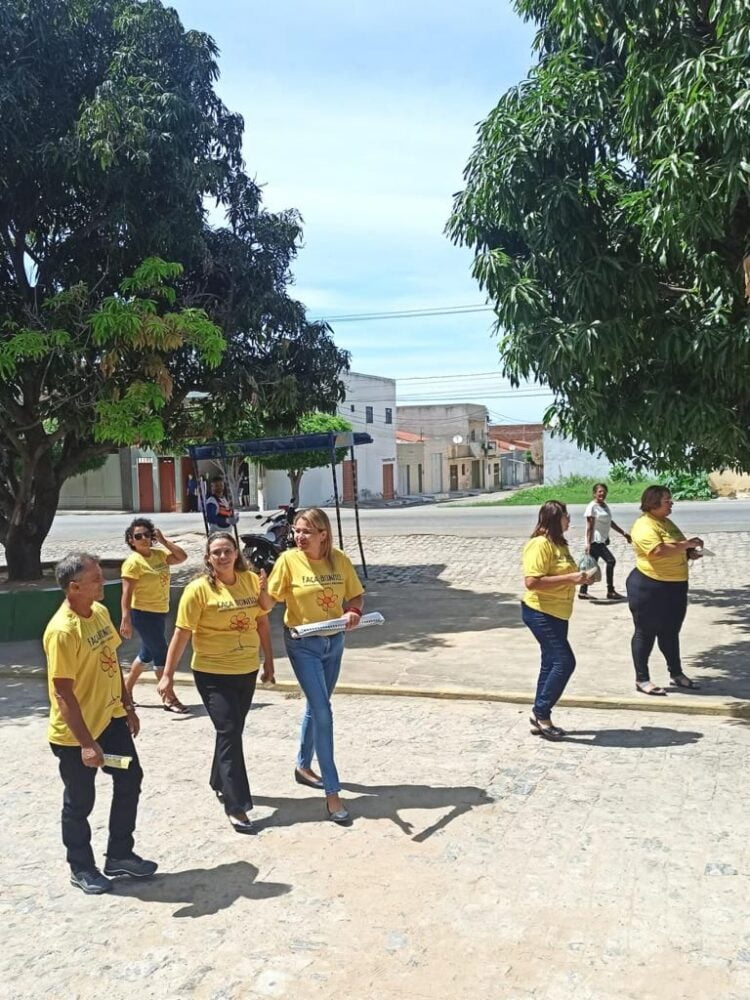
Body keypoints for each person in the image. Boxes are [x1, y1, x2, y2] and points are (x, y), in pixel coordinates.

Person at [44, 552, 157, 895]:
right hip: (76, 735)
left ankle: (120, 854)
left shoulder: (100, 613)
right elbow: (62, 693)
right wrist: (86, 744)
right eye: (95, 578)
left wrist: (127, 704)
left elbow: (112, 661)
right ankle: (81, 867)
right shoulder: (63, 631)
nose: (102, 582)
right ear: (74, 587)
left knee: (130, 778)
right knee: (80, 802)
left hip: (111, 721)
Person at [158, 531, 275, 833]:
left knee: (231, 731)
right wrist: (168, 675)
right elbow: (181, 633)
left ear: (237, 553)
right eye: (216, 553)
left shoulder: (250, 581)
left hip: (246, 669)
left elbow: (262, 620)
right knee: (229, 730)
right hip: (212, 673)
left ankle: (217, 779)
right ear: (208, 559)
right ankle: (236, 805)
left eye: (227, 551)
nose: (222, 557)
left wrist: (270, 662)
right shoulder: (198, 590)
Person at [264, 507, 365, 824]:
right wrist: (259, 590)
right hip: (302, 644)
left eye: (306, 531)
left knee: (317, 704)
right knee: (323, 712)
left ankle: (303, 765)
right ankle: (333, 793)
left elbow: (356, 597)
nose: (299, 537)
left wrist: (353, 612)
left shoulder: (339, 560)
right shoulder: (288, 561)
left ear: (323, 534)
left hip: (334, 643)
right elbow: (268, 604)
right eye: (296, 530)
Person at [521, 501, 592, 740]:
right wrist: (571, 578)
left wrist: (580, 579)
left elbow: (563, 575)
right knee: (565, 662)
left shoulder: (559, 543)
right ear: (554, 518)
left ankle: (537, 715)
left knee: (550, 662)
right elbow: (532, 582)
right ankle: (542, 713)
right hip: (540, 611)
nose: (569, 520)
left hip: (559, 612)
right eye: (566, 516)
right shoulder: (539, 544)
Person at [626, 486, 704, 696]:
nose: (671, 503)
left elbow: (676, 547)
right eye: (667, 501)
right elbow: (658, 550)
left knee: (671, 631)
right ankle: (642, 678)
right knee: (646, 632)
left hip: (675, 585)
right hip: (650, 585)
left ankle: (676, 673)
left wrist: (689, 553)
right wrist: (686, 544)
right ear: (653, 503)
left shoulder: (666, 522)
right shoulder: (644, 525)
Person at [120, 518, 189, 714]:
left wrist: (164, 541)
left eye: (147, 535)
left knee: (146, 654)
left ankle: (125, 690)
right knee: (162, 654)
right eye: (138, 536)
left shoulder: (159, 555)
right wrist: (126, 618)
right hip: (143, 614)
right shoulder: (133, 563)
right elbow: (126, 593)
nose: (143, 539)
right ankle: (168, 697)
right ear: (131, 540)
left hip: (159, 612)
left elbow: (182, 557)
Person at [579, 482, 632, 601]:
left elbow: (610, 522)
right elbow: (589, 526)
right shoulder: (592, 506)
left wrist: (623, 533)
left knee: (592, 567)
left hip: (602, 540)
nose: (602, 494)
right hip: (595, 541)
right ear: (594, 494)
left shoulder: (604, 506)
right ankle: (610, 591)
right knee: (611, 561)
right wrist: (587, 543)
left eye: (604, 491)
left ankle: (583, 591)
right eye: (600, 492)